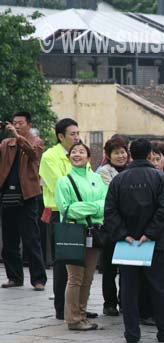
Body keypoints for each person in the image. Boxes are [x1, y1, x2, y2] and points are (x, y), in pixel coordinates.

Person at [104, 138, 164, 343]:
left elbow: (109, 211)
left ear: (130, 154)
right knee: (161, 288)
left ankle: (131, 332)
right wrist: (150, 234)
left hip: (127, 244)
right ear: (149, 155)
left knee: (129, 289)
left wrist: (124, 235)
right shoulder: (159, 178)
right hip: (154, 243)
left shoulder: (119, 180)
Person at [54, 143, 107, 330]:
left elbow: (105, 204)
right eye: (74, 152)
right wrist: (94, 207)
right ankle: (73, 319)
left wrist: (87, 208)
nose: (77, 155)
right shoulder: (64, 181)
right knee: (75, 278)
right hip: (74, 233)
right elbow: (66, 209)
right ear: (69, 157)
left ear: (88, 157)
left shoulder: (96, 178)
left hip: (93, 232)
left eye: (81, 152)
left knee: (88, 278)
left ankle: (82, 315)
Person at [40, 118, 82, 319]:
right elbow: (60, 187)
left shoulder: (79, 154)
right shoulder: (50, 157)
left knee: (78, 263)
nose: (77, 138)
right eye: (72, 134)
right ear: (60, 136)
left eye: (78, 133)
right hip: (60, 214)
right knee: (63, 261)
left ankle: (76, 307)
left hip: (80, 213)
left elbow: (89, 181)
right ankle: (61, 308)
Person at [0, 111, 46, 291]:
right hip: (7, 196)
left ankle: (38, 279)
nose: (16, 125)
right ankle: (14, 277)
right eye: (14, 123)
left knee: (31, 239)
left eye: (20, 123)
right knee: (9, 239)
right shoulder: (5, 144)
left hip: (27, 196)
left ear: (28, 124)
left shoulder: (37, 142)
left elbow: (33, 154)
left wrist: (17, 136)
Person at [97, 137, 129, 316]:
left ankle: (125, 300)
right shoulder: (104, 171)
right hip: (110, 225)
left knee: (126, 266)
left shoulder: (132, 169)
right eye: (116, 152)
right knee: (109, 267)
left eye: (123, 151)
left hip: (128, 226)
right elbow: (111, 194)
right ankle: (109, 302)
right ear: (109, 155)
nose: (121, 156)